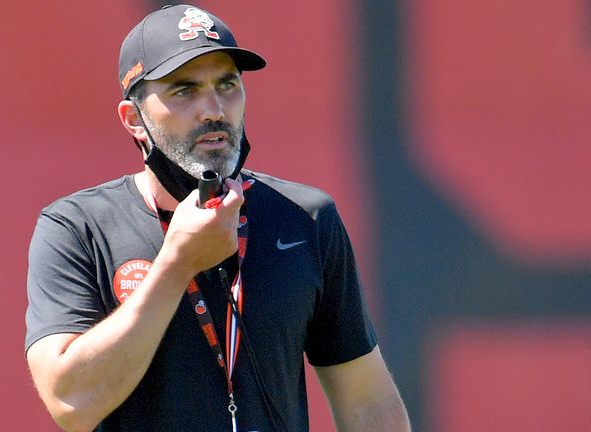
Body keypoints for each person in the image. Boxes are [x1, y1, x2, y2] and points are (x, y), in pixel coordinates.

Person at [25, 4, 410, 432]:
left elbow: (368, 402)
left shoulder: (306, 218)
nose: (214, 109)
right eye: (184, 90)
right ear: (135, 119)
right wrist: (177, 267)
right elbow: (70, 403)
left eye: (227, 84)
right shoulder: (77, 228)